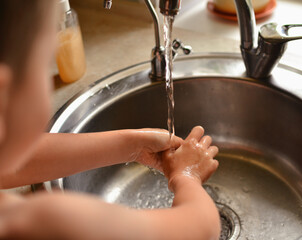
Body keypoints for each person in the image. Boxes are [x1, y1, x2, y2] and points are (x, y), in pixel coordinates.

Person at [0, 0, 221, 239]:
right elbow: (200, 228)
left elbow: (13, 160)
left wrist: (132, 146)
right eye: (45, 63)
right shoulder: (36, 223)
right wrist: (186, 177)